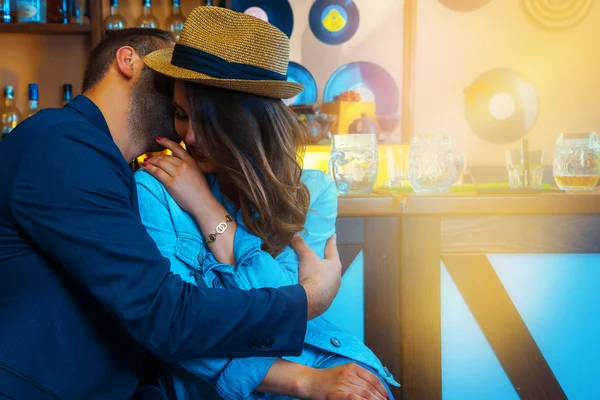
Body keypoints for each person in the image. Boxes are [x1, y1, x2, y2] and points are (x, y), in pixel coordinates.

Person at [0, 28, 343, 400]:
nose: (179, 84)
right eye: (169, 78)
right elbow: (163, 315)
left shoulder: (104, 162)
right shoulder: (67, 143)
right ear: (128, 61)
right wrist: (307, 300)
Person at [137, 7, 399, 399]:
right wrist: (303, 381)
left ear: (250, 121)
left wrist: (209, 210)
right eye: (180, 114)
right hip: (225, 385)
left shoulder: (313, 191)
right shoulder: (156, 187)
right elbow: (175, 330)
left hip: (316, 356)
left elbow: (279, 319)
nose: (188, 136)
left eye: (207, 120)